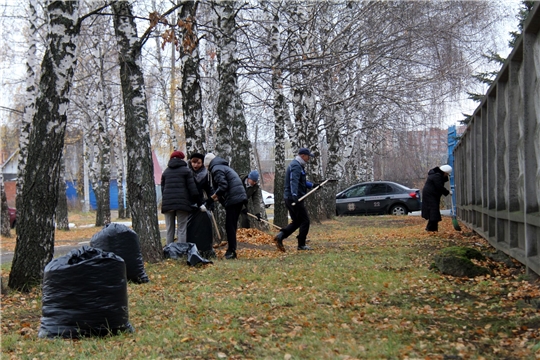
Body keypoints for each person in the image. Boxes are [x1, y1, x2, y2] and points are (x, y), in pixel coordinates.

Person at [204, 153, 247, 259]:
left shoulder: (216, 169)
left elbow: (223, 186)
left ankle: (231, 251)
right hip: (238, 196)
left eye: (206, 167)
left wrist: (211, 199)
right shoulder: (222, 166)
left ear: (208, 164)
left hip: (234, 198)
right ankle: (232, 250)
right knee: (232, 225)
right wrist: (220, 200)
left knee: (230, 226)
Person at [274, 148, 317, 252]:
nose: (309, 159)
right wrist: (294, 195)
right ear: (303, 156)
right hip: (294, 198)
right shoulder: (296, 165)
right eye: (308, 156)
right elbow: (294, 180)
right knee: (305, 221)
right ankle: (301, 244)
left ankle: (281, 236)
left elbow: (301, 181)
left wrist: (313, 185)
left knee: (297, 221)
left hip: (290, 197)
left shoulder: (298, 166)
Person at [161, 150, 199, 245]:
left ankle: (169, 250)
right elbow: (192, 189)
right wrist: (196, 201)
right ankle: (181, 251)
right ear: (182, 159)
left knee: (170, 229)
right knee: (182, 228)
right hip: (182, 204)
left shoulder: (166, 172)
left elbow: (163, 189)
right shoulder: (186, 171)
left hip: (168, 204)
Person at [186, 152, 216, 257]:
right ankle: (189, 248)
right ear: (190, 162)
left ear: (202, 163)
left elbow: (208, 189)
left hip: (200, 204)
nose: (195, 165)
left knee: (204, 224)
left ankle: (204, 248)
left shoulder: (205, 174)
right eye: (193, 162)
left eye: (198, 163)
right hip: (188, 203)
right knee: (189, 227)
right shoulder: (186, 172)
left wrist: (211, 201)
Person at [421, 164, 452, 232]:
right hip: (431, 195)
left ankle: (431, 228)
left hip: (431, 195)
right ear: (444, 172)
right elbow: (439, 186)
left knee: (433, 212)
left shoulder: (435, 174)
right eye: (447, 174)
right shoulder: (437, 176)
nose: (447, 175)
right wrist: (447, 192)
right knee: (433, 211)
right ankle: (431, 228)